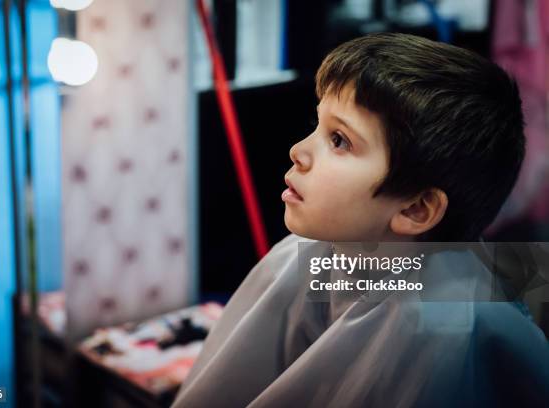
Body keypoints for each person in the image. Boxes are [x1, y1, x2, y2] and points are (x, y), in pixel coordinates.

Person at [172, 33, 549, 407]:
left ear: (415, 209)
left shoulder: (444, 333)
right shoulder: (305, 256)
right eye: (317, 125)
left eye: (339, 140)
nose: (298, 151)